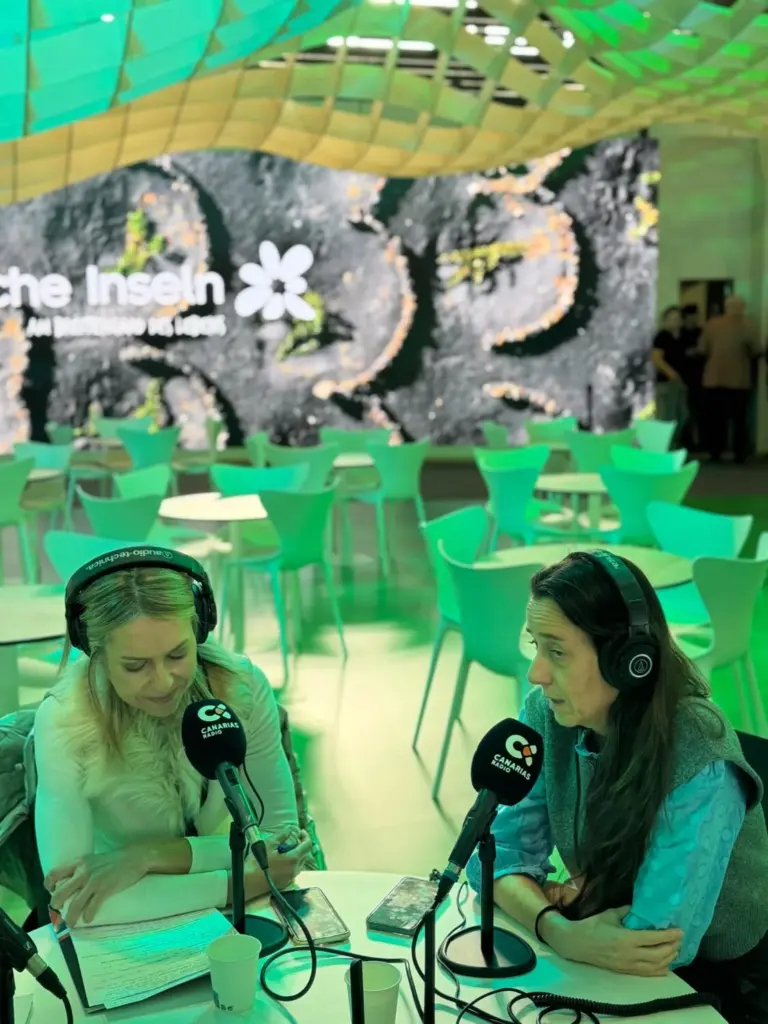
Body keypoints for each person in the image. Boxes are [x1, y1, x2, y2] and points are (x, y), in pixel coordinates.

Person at [467, 551, 768, 1024]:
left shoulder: (699, 749)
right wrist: (558, 928)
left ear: (628, 662)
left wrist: (570, 902)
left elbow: (653, 943)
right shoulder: (548, 712)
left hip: (718, 982)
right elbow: (495, 860)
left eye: (557, 652)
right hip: (594, 947)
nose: (536, 673)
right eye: (536, 646)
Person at [34, 546, 314, 929]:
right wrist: (242, 880)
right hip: (127, 933)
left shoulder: (243, 687)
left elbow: (280, 846)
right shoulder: (63, 719)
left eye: (178, 655)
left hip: (226, 913)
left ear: (199, 628)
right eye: (136, 666)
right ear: (95, 652)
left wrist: (147, 857)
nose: (164, 681)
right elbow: (75, 903)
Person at [698, 295, 761, 463]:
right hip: (739, 381)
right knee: (740, 419)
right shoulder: (749, 325)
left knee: (716, 419)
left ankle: (715, 452)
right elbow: (756, 350)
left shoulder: (712, 324)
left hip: (714, 379)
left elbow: (702, 349)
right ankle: (739, 453)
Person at [650, 306, 688, 442]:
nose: (676, 322)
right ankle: (663, 446)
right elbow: (656, 359)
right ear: (665, 320)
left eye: (678, 318)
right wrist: (671, 373)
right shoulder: (661, 337)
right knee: (666, 417)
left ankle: (673, 444)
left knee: (682, 415)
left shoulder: (682, 337)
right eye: (672, 319)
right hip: (666, 383)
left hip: (680, 383)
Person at [679, 304, 705, 451]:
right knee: (684, 411)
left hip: (699, 377)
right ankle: (686, 441)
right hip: (684, 376)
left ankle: (697, 441)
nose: (694, 319)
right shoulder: (680, 333)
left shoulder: (701, 332)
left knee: (697, 410)